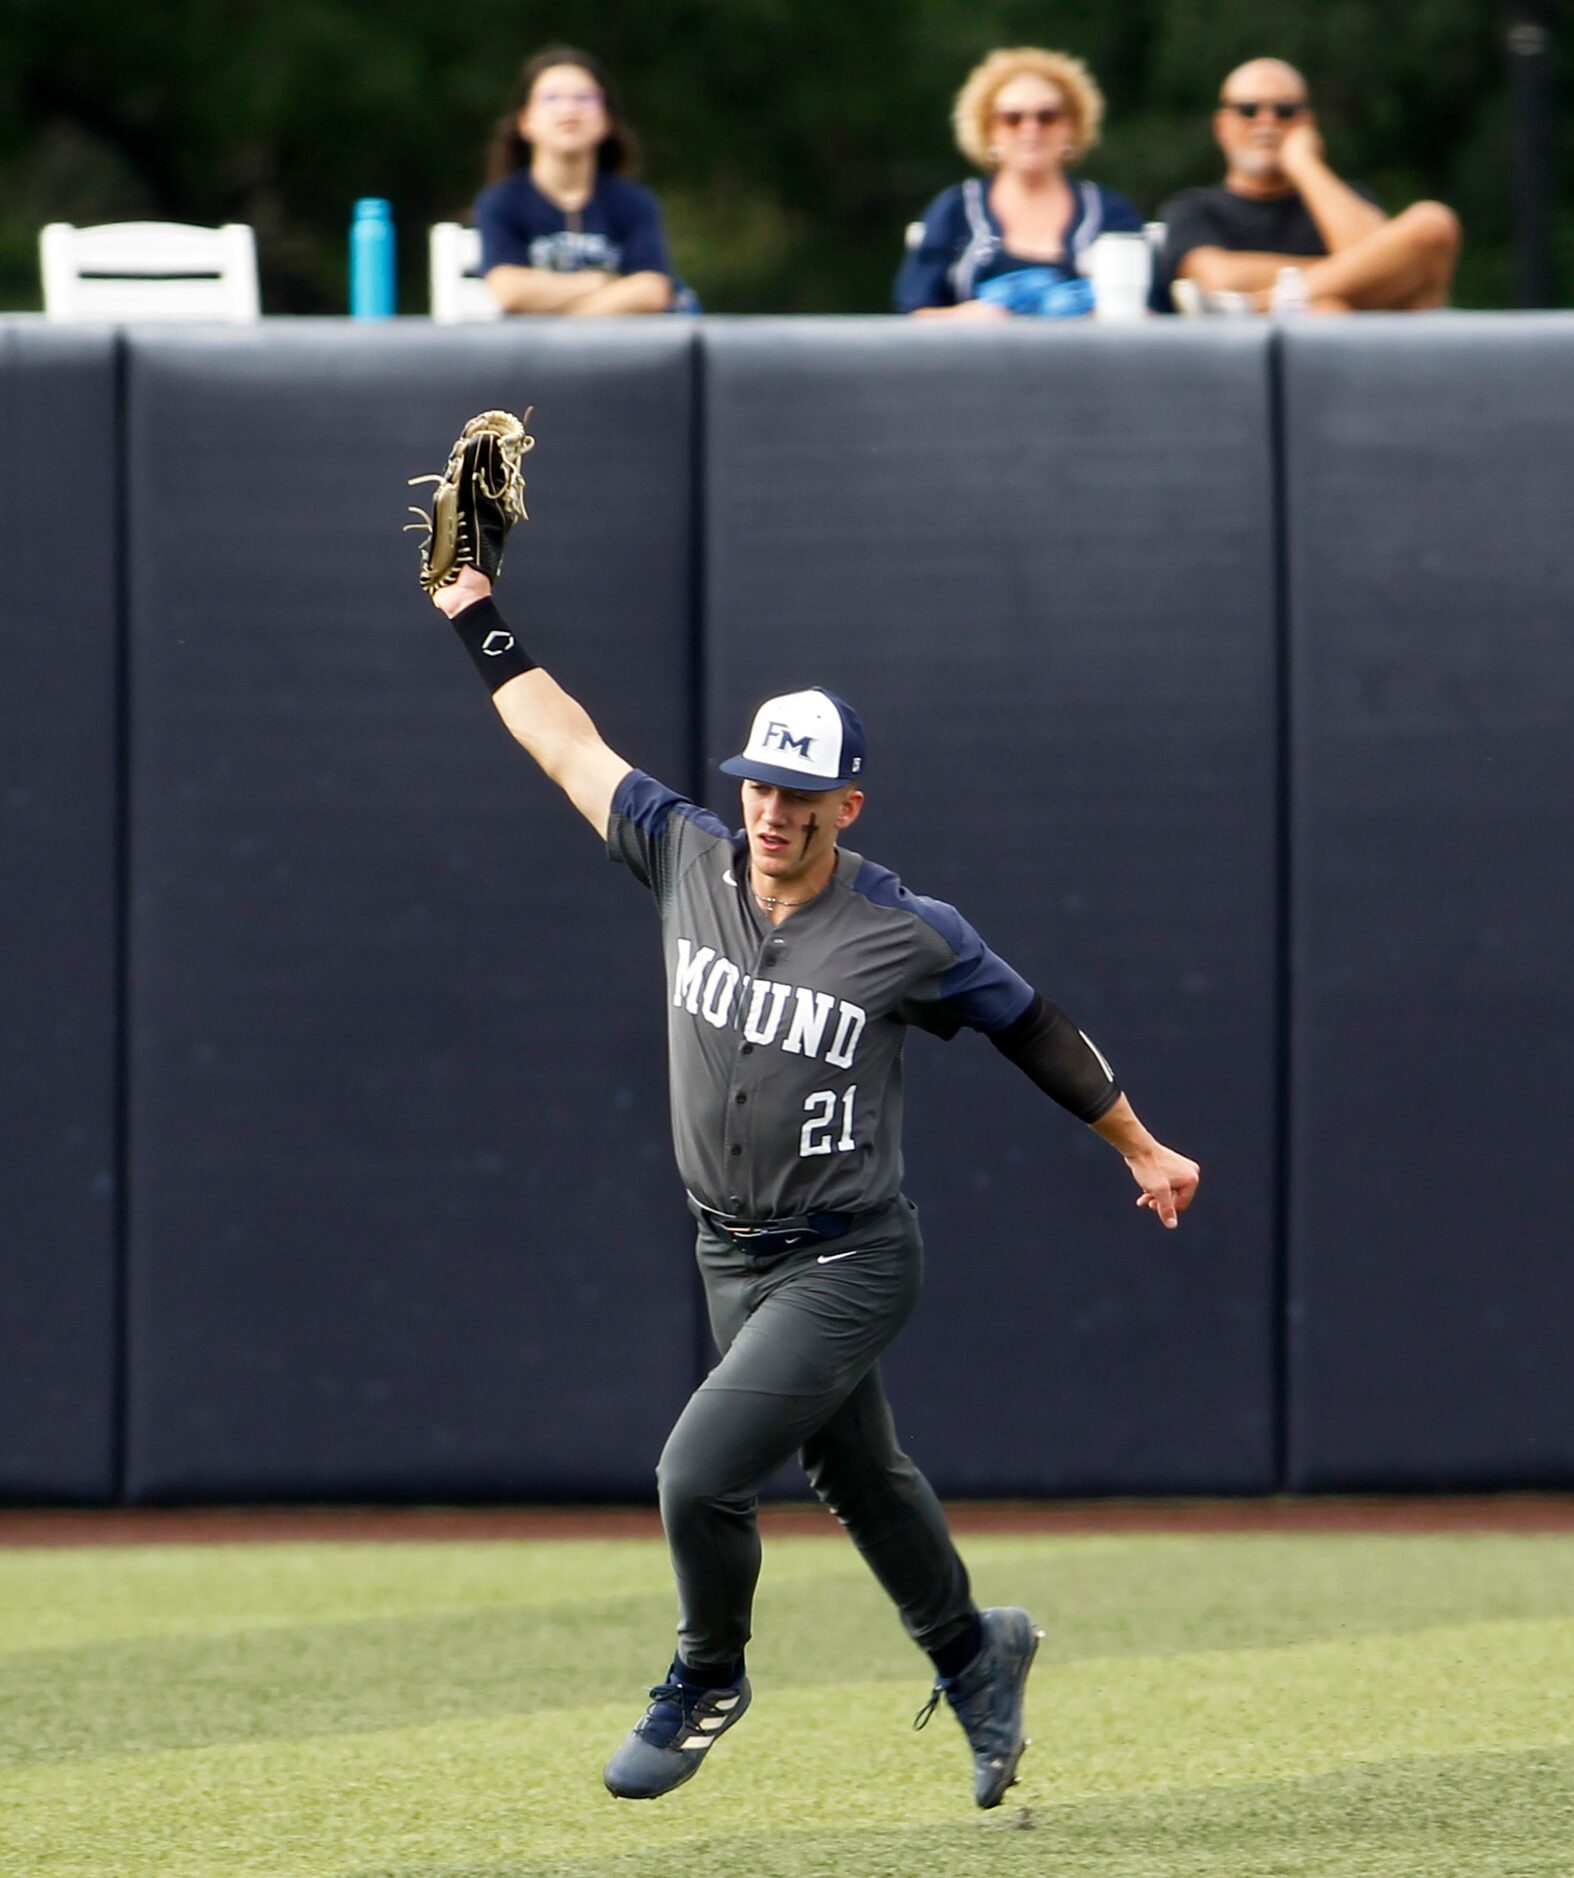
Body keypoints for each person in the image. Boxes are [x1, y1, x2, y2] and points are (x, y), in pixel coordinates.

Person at [423, 452, 1200, 1809]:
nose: (773, 813)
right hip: (729, 1251)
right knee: (858, 1474)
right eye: (759, 787)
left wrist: (1137, 1144)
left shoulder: (905, 931)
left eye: (801, 793)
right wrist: (474, 611)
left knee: (694, 1474)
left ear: (849, 801)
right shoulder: (684, 856)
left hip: (848, 1255)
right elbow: (564, 740)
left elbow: (1034, 1025)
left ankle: (706, 1671)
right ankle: (975, 1652)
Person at [1160, 58, 1461, 314]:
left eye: (1285, 111)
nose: (1267, 122)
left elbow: (1396, 259)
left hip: (1372, 356)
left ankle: (1254, 305)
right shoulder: (1193, 208)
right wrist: (1349, 278)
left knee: (1434, 221)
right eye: (1249, 109)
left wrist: (1304, 163)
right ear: (1222, 126)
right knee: (1327, 309)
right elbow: (1220, 280)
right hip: (1260, 361)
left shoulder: (1345, 196)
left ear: (1307, 122)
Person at [895, 46, 1145, 319]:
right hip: (976, 360)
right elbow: (915, 313)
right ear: (990, 130)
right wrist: (967, 318)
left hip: (1091, 360)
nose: (1031, 129)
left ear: (1071, 127)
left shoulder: (1110, 212)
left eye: (1047, 117)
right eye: (1012, 118)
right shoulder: (956, 209)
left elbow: (1153, 316)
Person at [474, 47, 678, 316]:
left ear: (606, 119)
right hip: (530, 357)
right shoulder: (501, 202)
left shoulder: (634, 202)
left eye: (584, 98)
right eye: (552, 98)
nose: (569, 110)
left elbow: (652, 290)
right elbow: (510, 290)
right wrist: (601, 281)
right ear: (525, 120)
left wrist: (558, 312)